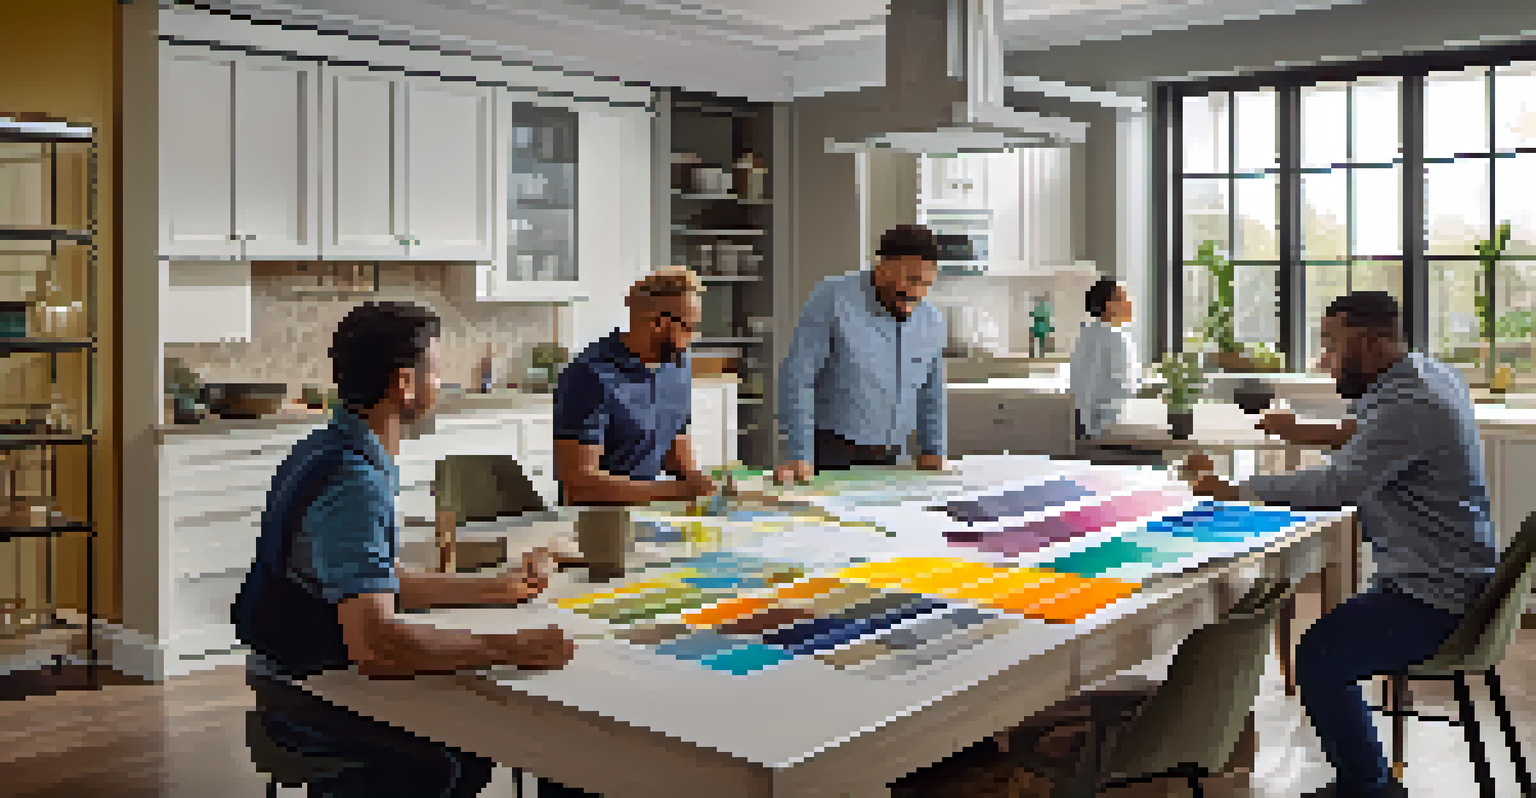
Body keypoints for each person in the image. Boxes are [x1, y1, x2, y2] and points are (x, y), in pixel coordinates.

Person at [233, 301, 577, 798]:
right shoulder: (355, 481)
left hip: (283, 676)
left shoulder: (323, 449)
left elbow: (372, 582)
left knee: (474, 738)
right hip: (310, 698)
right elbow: (376, 644)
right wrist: (514, 648)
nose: (440, 384)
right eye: (435, 369)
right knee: (467, 746)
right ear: (404, 383)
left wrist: (495, 590)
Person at [1183, 291, 1497, 798]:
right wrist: (1299, 430)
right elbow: (1367, 434)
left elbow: (1337, 488)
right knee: (1326, 649)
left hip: (1435, 598)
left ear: (1373, 343)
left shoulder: (1411, 404)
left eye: (1332, 344)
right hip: (1455, 577)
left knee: (1318, 658)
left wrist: (1234, 490)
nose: (1324, 360)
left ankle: (1368, 788)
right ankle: (1366, 781)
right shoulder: (1427, 375)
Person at [774, 224, 948, 484]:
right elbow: (798, 378)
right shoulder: (833, 298)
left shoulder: (931, 319)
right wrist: (799, 454)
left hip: (894, 460)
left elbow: (931, 393)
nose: (917, 293)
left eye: (926, 284)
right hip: (831, 454)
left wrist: (933, 450)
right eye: (911, 280)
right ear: (882, 269)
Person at [554, 268, 717, 506]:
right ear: (657, 323)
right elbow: (580, 485)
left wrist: (697, 484)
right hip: (599, 523)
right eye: (689, 327)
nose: (694, 337)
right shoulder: (590, 374)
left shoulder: (677, 363)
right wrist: (675, 491)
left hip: (650, 512)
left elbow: (675, 433)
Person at [1069, 278, 1139, 439]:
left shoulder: (1085, 335)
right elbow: (1128, 387)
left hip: (1080, 428)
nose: (1130, 303)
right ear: (1109, 306)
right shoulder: (1118, 338)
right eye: (1124, 298)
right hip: (1110, 429)